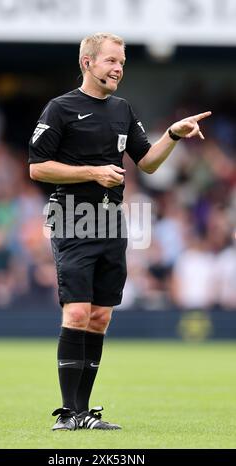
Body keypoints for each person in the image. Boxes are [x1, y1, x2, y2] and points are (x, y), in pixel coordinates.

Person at [28, 32, 211, 431]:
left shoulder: (123, 110)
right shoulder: (60, 109)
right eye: (111, 61)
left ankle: (85, 412)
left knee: (99, 318)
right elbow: (37, 168)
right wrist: (93, 172)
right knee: (76, 311)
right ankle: (68, 414)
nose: (118, 69)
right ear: (87, 63)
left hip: (111, 222)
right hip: (73, 218)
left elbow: (147, 163)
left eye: (122, 63)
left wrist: (173, 135)